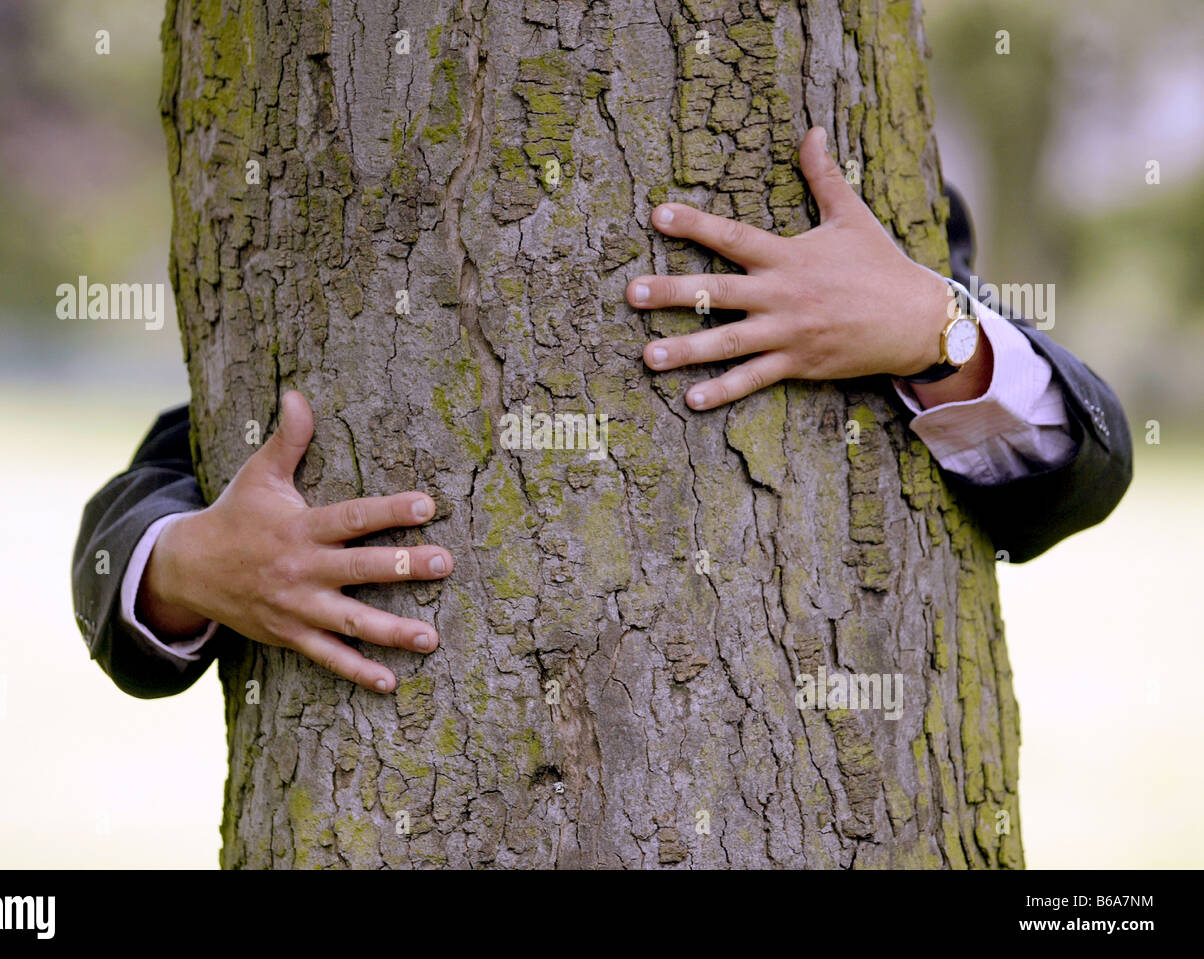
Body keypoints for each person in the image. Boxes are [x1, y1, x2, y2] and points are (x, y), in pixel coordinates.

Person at [72, 129, 1131, 700]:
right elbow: (161, 488)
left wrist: (939, 330)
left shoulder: (864, 159)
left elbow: (1077, 465)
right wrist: (181, 566)